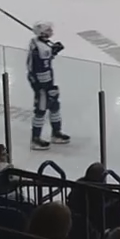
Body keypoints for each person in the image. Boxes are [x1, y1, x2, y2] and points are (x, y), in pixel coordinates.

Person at [27, 22, 71, 150]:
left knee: (54, 106)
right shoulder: (42, 48)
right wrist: (46, 87)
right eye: (48, 30)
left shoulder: (36, 42)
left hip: (46, 81)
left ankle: (56, 132)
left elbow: (46, 58)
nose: (51, 31)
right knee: (41, 109)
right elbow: (42, 64)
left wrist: (53, 50)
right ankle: (35, 139)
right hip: (42, 84)